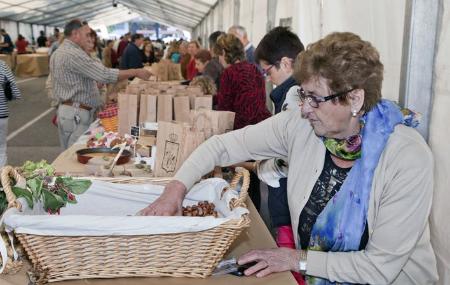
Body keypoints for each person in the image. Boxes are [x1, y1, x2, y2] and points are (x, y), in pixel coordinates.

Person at [138, 32, 438, 284]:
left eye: (315, 98)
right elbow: (220, 146)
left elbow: (379, 267)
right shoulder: (301, 125)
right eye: (303, 94)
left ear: (355, 99)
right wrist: (174, 190)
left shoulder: (406, 156)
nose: (305, 107)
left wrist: (294, 258)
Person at [50, 19, 151, 150]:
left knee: (71, 153)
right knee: (76, 153)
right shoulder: (72, 53)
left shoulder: (61, 51)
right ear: (75, 34)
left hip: (71, 112)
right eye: (86, 34)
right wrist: (136, 71)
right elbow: (104, 74)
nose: (89, 39)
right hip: (76, 114)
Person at [253, 26, 305, 248]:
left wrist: (253, 165)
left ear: (285, 63)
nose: (268, 78)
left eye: (268, 71)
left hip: (288, 206)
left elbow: (287, 159)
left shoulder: (293, 97)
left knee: (290, 259)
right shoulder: (287, 94)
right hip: (287, 203)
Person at [214, 33, 271, 210]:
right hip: (260, 128)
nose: (219, 59)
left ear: (224, 52)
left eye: (218, 54)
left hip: (241, 131)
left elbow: (225, 110)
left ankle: (241, 214)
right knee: (254, 180)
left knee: (240, 178)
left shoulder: (229, 73)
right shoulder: (255, 69)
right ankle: (256, 218)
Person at [0, 60, 21, 166]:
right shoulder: (2, 64)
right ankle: (2, 178)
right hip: (1, 113)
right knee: (1, 149)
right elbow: (13, 86)